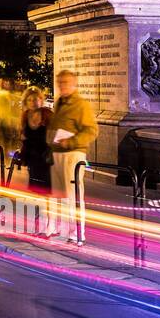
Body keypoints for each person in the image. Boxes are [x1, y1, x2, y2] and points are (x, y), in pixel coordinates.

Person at [48, 70, 97, 244]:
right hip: (57, 154)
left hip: (73, 154)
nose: (62, 85)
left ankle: (77, 233)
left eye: (66, 82)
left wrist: (70, 142)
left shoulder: (81, 105)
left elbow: (92, 130)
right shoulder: (59, 103)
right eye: (60, 82)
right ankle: (61, 229)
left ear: (74, 84)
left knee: (72, 195)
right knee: (59, 196)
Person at [18, 87, 53, 235]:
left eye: (36, 99)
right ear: (26, 101)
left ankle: (48, 226)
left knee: (46, 194)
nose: (33, 102)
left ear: (41, 99)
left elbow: (56, 133)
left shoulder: (47, 115)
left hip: (46, 159)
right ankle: (37, 226)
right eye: (30, 99)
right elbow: (22, 135)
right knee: (36, 193)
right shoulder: (25, 116)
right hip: (32, 159)